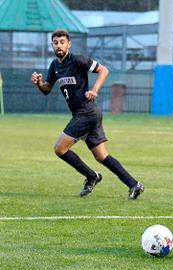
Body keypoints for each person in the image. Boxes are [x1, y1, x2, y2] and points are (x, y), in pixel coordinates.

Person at [31, 29, 144, 200]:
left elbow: (103, 70)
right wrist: (39, 83)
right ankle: (134, 184)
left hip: (87, 111)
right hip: (84, 113)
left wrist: (94, 90)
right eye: (55, 42)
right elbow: (47, 89)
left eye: (62, 42)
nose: (59, 45)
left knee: (59, 148)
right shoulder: (55, 66)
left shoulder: (77, 60)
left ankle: (92, 176)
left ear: (69, 44)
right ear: (52, 45)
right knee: (101, 156)